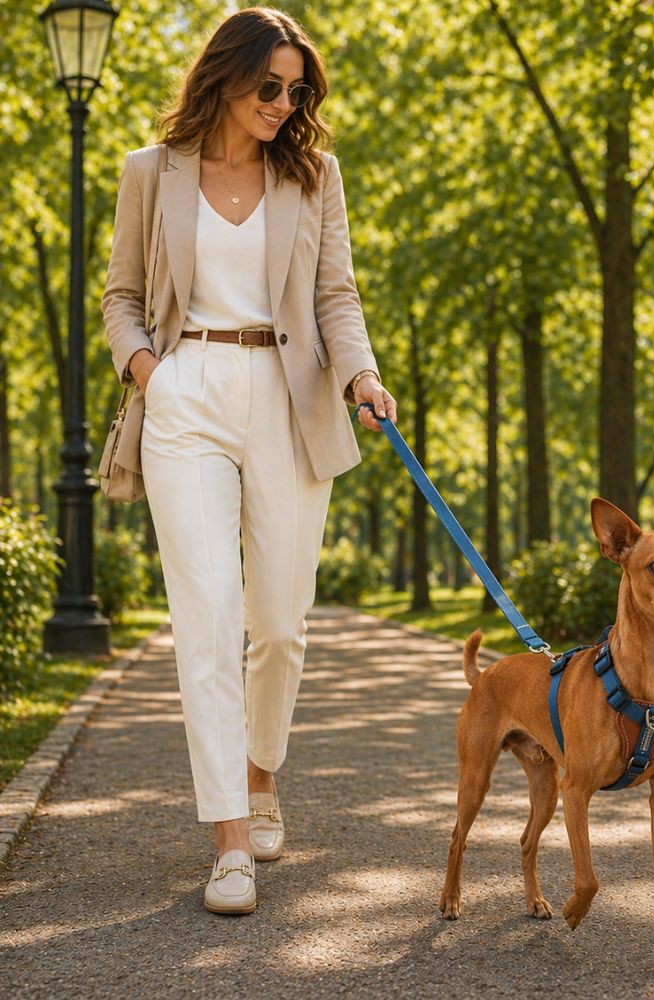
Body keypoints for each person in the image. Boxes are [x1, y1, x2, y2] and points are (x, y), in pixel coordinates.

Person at [102, 6, 396, 915]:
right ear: (225, 76)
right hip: (184, 396)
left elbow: (335, 295)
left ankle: (262, 773)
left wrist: (364, 377)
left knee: (278, 624)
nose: (281, 101)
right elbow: (122, 297)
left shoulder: (313, 175)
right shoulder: (152, 173)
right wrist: (152, 371)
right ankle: (228, 836)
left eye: (294, 89)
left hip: (286, 392)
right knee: (206, 617)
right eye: (268, 85)